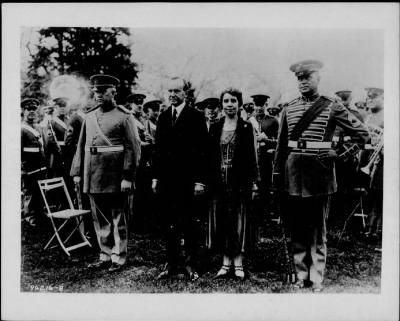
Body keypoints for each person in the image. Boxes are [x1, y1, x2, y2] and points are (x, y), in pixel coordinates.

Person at [272, 60, 370, 292]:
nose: (303, 81)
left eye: (308, 77)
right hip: (293, 173)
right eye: (300, 78)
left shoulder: (331, 106)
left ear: (318, 78)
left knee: (317, 228)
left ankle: (316, 277)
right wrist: (277, 175)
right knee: (297, 227)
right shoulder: (289, 108)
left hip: (320, 174)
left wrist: (338, 152)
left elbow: (362, 135)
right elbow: (281, 147)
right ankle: (300, 275)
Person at [70, 74, 141, 273]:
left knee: (118, 217)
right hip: (93, 174)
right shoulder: (89, 116)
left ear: (114, 92)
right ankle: (105, 255)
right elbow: (81, 145)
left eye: (103, 91)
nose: (99, 95)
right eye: (96, 91)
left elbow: (133, 149)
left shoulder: (124, 116)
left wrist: (128, 176)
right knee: (99, 217)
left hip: (115, 176)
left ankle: (119, 256)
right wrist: (77, 171)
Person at [152, 77, 209, 281]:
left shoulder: (196, 116)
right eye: (170, 91)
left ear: (185, 93)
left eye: (177, 91)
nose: (173, 95)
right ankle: (171, 264)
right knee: (169, 225)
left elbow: (203, 151)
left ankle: (191, 264)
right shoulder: (164, 116)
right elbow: (158, 150)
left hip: (188, 181)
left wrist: (200, 181)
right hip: (167, 181)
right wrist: (156, 177)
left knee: (190, 224)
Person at [208, 88, 259, 280]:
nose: (229, 104)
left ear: (239, 104)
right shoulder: (215, 127)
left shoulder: (246, 128)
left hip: (239, 182)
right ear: (222, 104)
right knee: (222, 221)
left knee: (238, 222)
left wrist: (254, 182)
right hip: (219, 182)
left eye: (233, 101)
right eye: (226, 101)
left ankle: (238, 263)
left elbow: (252, 158)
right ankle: (225, 262)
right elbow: (209, 157)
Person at [251, 94, 279, 244]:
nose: (259, 108)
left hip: (266, 160)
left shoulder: (273, 121)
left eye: (261, 105)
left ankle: (265, 219)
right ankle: (253, 218)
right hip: (251, 160)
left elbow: (279, 142)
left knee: (265, 189)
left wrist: (266, 140)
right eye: (256, 105)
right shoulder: (248, 121)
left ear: (266, 105)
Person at [21, 98, 48, 227]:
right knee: (30, 192)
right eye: (28, 109)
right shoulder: (21, 129)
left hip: (41, 165)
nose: (31, 112)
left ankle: (40, 213)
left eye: (34, 109)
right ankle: (30, 216)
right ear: (23, 111)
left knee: (40, 192)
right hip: (28, 167)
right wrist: (22, 167)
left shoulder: (38, 127)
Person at [363, 87, 384, 243]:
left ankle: (376, 230)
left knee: (380, 196)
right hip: (371, 159)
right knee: (373, 195)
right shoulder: (369, 117)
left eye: (374, 97)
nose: (369, 99)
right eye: (368, 97)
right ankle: (371, 228)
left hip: (384, 161)